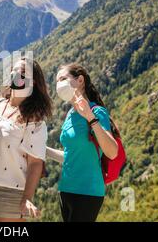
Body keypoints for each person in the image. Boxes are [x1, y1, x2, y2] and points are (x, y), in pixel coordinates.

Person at [46, 63, 118, 222]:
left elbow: (112, 152)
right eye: (57, 81)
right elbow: (71, 156)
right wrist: (44, 150)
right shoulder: (70, 115)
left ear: (80, 81)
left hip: (88, 191)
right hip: (66, 189)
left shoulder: (96, 111)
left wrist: (90, 117)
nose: (59, 84)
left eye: (63, 79)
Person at [0, 57, 52, 222]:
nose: (15, 74)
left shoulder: (34, 121)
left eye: (22, 72)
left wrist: (26, 198)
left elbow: (35, 163)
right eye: (13, 70)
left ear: (34, 82)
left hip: (10, 191)